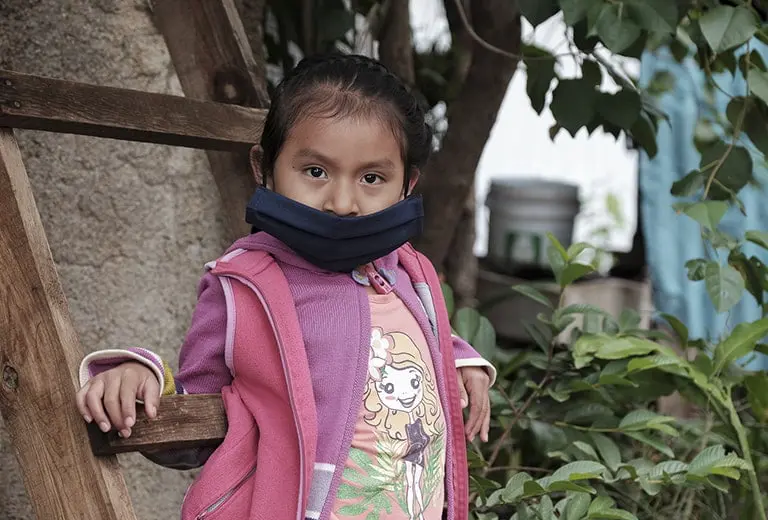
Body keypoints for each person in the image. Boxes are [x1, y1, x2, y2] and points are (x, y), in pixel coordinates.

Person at [75, 53, 495, 520]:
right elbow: (197, 416)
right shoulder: (244, 287)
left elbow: (407, 342)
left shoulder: (409, 275)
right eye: (315, 172)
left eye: (372, 178)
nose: (341, 203)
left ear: (406, 186)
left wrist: (458, 360)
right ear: (264, 167)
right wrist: (139, 379)